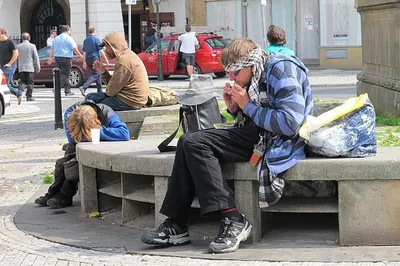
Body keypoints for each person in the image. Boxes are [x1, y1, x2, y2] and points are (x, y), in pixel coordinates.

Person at [141, 38, 313, 253]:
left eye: (235, 72)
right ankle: (176, 223)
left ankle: (233, 219)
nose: (232, 78)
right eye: (229, 73)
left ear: (251, 64)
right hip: (257, 134)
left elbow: (290, 123)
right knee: (188, 140)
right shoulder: (255, 73)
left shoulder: (282, 69)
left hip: (279, 140)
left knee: (194, 142)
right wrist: (235, 109)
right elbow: (255, 116)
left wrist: (247, 106)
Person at [34, 100, 130, 209]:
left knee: (72, 164)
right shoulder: (70, 114)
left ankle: (63, 196)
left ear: (97, 120)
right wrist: (88, 134)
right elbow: (72, 140)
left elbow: (124, 133)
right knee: (63, 162)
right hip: (77, 147)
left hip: (99, 146)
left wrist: (96, 131)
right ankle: (54, 194)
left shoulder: (106, 111)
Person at [85, 31, 149, 111]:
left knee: (94, 108)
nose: (105, 50)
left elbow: (111, 91)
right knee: (90, 98)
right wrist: (103, 71)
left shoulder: (124, 61)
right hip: (128, 97)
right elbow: (113, 86)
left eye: (106, 47)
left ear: (113, 46)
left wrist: (108, 88)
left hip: (130, 101)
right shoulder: (126, 55)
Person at [48, 25, 83, 96]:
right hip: (66, 57)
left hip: (57, 57)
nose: (70, 32)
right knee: (66, 74)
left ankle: (67, 90)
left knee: (63, 74)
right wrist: (80, 55)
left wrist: (51, 58)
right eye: (70, 31)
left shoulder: (56, 38)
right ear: (67, 30)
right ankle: (56, 88)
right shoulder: (68, 38)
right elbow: (75, 48)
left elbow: (51, 49)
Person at [79, 26, 109, 97]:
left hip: (88, 59)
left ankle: (99, 90)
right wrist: (106, 59)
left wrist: (84, 62)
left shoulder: (86, 40)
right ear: (94, 31)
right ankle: (84, 87)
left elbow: (84, 52)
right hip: (94, 58)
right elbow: (100, 50)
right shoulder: (96, 39)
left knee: (98, 74)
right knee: (96, 74)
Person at [0, 28, 22, 105]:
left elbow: (16, 53)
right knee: (6, 85)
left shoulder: (10, 42)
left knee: (4, 85)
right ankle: (18, 94)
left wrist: (9, 63)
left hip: (9, 67)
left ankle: (18, 93)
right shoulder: (0, 42)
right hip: (2, 66)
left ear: (3, 33)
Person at [16, 32, 40, 101]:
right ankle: (29, 96)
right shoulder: (32, 46)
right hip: (30, 67)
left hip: (21, 67)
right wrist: (38, 67)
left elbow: (16, 57)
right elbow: (36, 57)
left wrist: (17, 67)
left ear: (22, 38)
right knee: (30, 82)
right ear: (29, 38)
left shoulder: (18, 46)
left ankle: (19, 94)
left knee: (22, 82)